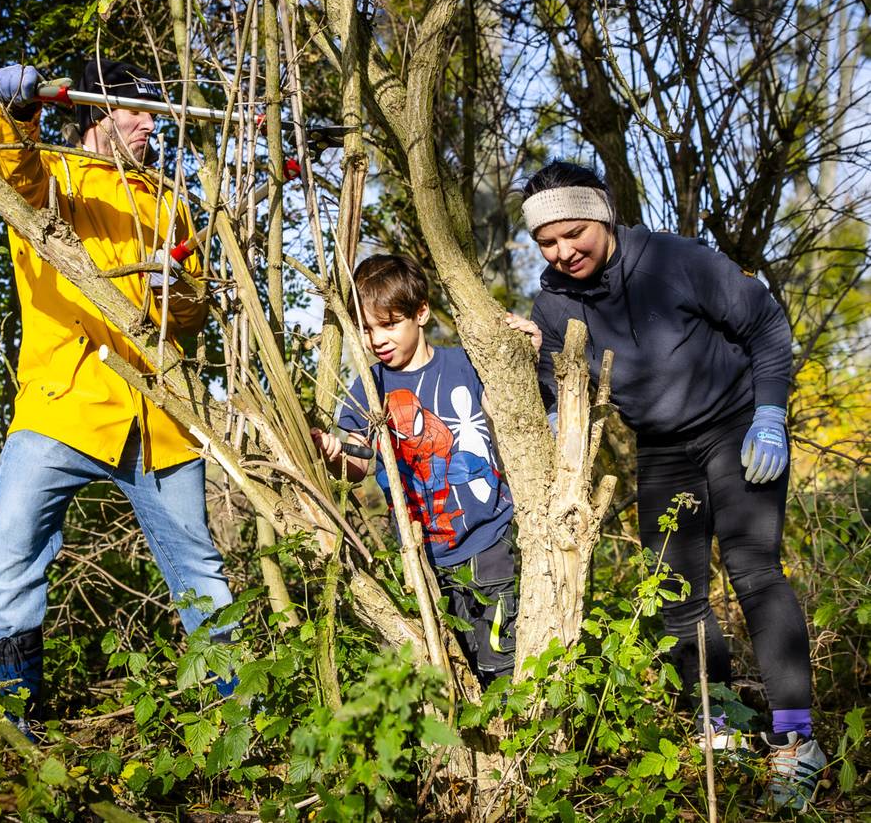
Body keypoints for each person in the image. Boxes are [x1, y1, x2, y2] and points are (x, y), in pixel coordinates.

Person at [505, 160, 826, 811]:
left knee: (754, 572)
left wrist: (770, 413)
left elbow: (764, 323)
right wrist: (523, 364)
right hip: (662, 448)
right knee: (673, 593)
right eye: (547, 242)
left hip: (736, 425)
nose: (564, 252)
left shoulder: (676, 260)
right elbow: (554, 392)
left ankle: (797, 739)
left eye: (574, 234)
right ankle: (724, 723)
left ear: (601, 216)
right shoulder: (553, 302)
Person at [0, 59, 234, 729]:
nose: (151, 125)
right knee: (9, 550)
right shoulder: (55, 175)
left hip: (161, 414)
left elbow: (190, 315)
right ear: (97, 114)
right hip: (62, 401)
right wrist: (15, 114)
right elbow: (15, 172)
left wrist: (178, 295)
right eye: (137, 112)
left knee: (201, 575)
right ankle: (20, 717)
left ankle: (242, 719)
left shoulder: (166, 197)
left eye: (155, 113)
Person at [311, 254, 517, 687]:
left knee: (504, 659)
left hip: (490, 541)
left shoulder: (464, 365)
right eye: (366, 330)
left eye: (389, 324)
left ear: (421, 312)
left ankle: (520, 743)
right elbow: (356, 464)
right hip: (425, 557)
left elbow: (515, 415)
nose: (377, 340)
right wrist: (334, 453)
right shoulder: (368, 387)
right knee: (454, 669)